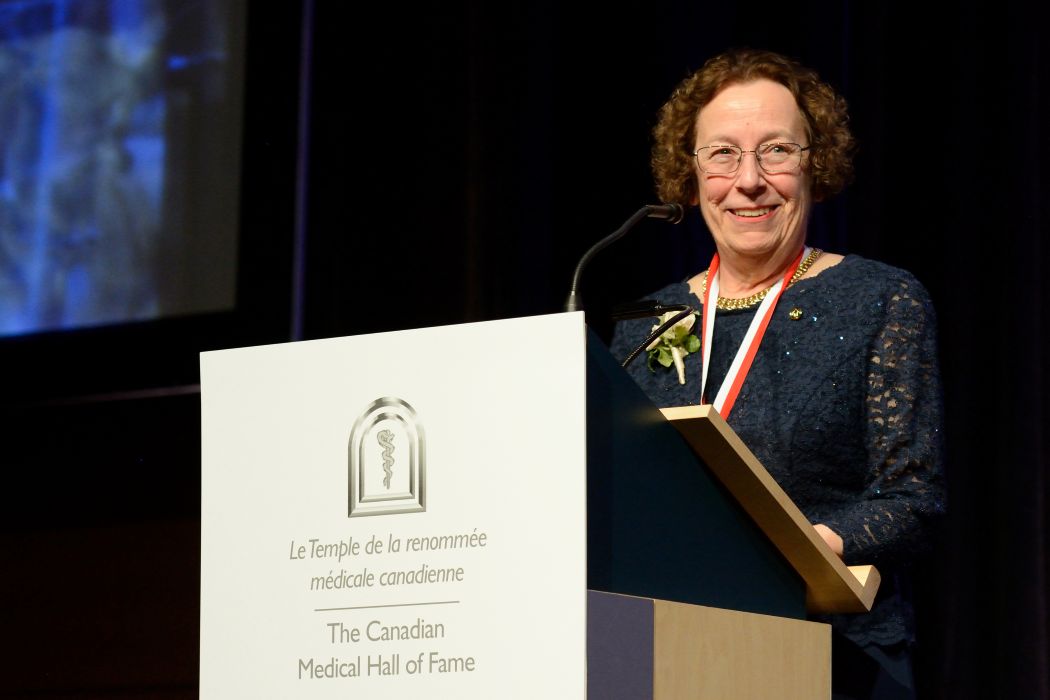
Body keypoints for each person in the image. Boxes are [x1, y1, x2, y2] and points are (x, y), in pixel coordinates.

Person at [609, 48, 946, 699]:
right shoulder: (649, 320)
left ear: (815, 164)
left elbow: (914, 502)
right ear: (689, 172)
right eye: (723, 154)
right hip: (669, 653)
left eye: (777, 151)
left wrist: (798, 548)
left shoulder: (882, 299)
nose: (750, 180)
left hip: (829, 651)